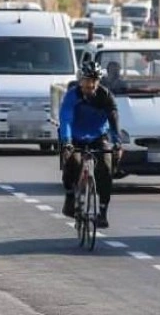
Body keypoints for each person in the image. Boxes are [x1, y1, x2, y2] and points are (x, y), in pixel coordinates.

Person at [58, 61, 122, 228]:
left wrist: (117, 144)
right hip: (75, 136)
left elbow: (114, 120)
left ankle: (102, 211)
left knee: (106, 168)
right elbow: (65, 120)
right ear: (80, 81)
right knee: (73, 161)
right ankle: (70, 196)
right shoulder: (72, 96)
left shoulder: (106, 96)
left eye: (93, 85)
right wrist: (67, 142)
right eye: (86, 84)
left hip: (98, 136)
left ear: (98, 82)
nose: (89, 88)